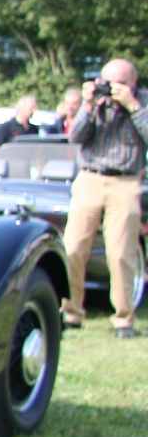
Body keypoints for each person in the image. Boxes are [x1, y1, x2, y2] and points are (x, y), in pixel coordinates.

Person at [62, 59, 148, 338]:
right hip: (90, 177)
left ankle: (123, 319)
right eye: (107, 81)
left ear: (132, 82)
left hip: (125, 180)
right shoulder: (96, 102)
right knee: (73, 246)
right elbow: (75, 137)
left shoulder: (142, 102)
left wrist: (133, 106)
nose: (111, 88)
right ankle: (71, 312)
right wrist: (88, 106)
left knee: (121, 252)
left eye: (118, 83)